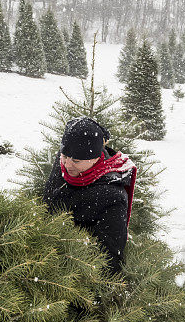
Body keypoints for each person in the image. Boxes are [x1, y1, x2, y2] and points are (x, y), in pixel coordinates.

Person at [42, 117, 137, 274]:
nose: (67, 165)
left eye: (76, 160)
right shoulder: (65, 162)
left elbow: (108, 261)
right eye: (64, 156)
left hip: (74, 272)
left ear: (95, 159)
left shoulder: (112, 197)